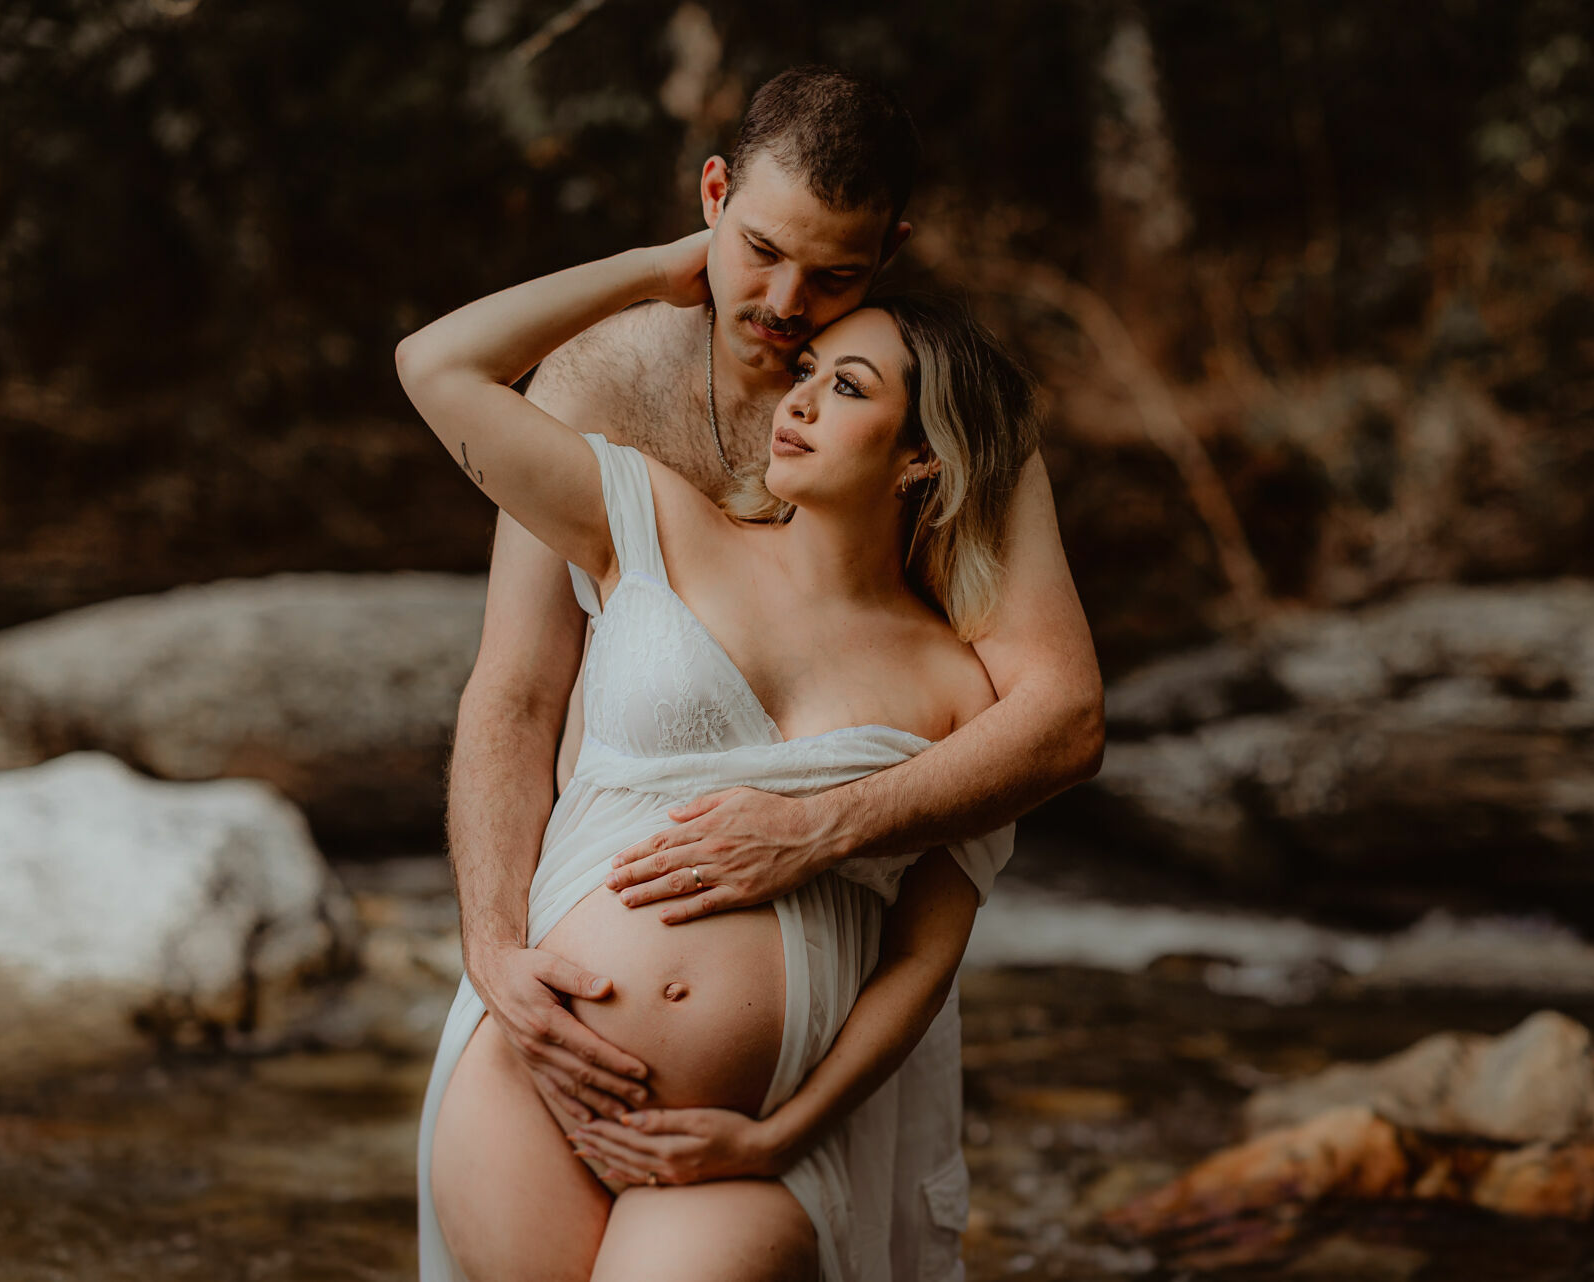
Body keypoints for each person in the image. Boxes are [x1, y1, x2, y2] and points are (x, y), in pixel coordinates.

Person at [433, 67, 1102, 1278]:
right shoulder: (604, 382)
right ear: (711, 198)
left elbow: (1056, 725)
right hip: (565, 1005)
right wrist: (492, 949)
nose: (787, 305)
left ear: (891, 248)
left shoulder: (946, 417)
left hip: (807, 1042)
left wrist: (818, 830)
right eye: (757, 251)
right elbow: (517, 691)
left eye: (836, 274)